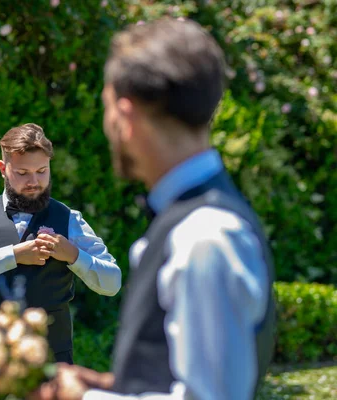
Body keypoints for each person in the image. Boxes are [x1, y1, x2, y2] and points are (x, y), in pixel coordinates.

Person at [30, 17, 276, 400]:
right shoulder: (196, 220)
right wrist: (113, 387)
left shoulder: (204, 235)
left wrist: (80, 399)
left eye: (107, 109)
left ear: (126, 117)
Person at [0, 122, 122, 364]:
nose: (34, 181)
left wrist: (75, 256)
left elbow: (113, 282)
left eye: (42, 171)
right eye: (23, 173)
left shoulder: (71, 219)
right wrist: (12, 255)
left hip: (53, 365)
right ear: (3, 169)